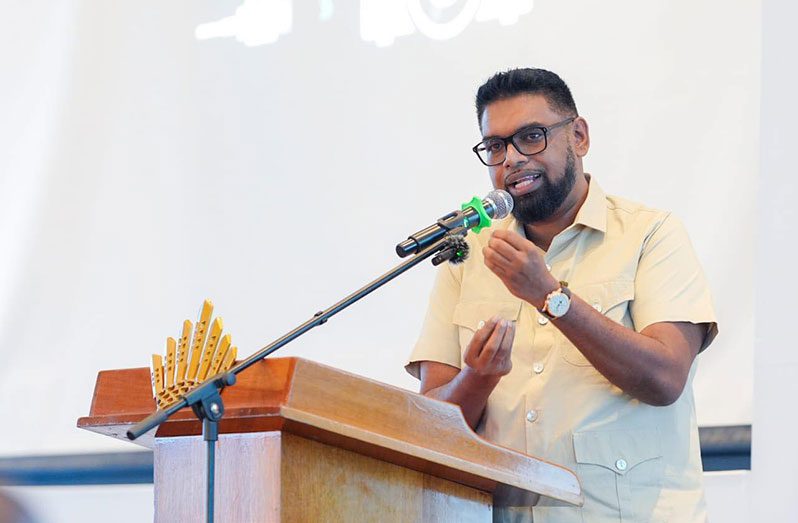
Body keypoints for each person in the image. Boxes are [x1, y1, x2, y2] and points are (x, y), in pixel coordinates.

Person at [406, 68, 718, 522]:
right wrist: (478, 376)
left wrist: (551, 297)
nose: (511, 158)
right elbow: (430, 424)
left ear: (579, 136)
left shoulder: (650, 233)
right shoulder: (470, 252)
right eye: (495, 146)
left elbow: (666, 378)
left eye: (531, 137)